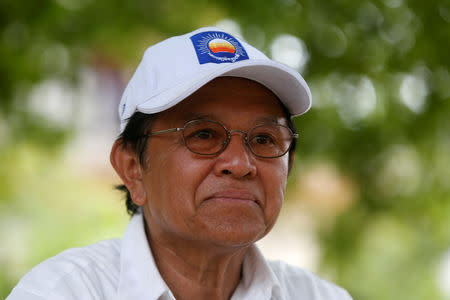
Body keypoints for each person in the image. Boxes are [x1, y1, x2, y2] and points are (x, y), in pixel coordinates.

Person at [7, 27, 352, 300]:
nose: (240, 163)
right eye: (202, 134)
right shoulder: (64, 292)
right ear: (132, 169)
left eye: (264, 139)